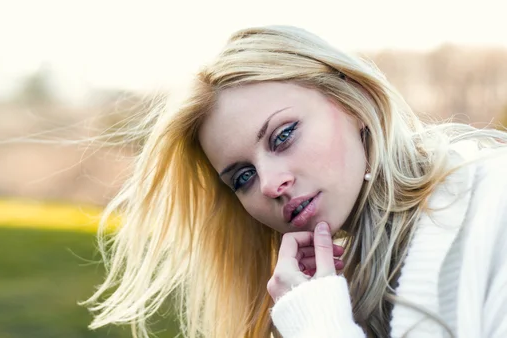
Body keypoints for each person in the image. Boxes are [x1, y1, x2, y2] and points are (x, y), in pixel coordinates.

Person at [82, 25, 507, 337]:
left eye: (283, 135)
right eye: (242, 176)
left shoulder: (493, 205)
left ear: (352, 100)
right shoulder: (329, 286)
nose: (268, 184)